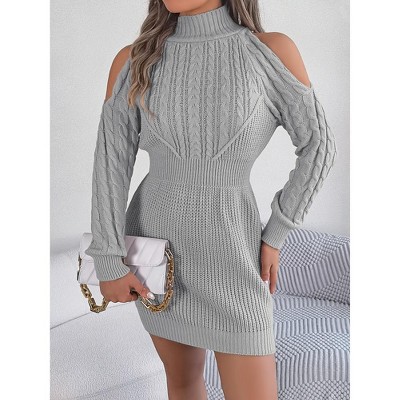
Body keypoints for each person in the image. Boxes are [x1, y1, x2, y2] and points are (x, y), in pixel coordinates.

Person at [85, 0, 337, 399]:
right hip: (156, 252)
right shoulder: (134, 60)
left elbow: (318, 146)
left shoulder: (269, 51)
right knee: (182, 381)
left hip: (232, 252)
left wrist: (276, 233)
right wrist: (108, 259)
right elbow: (110, 167)